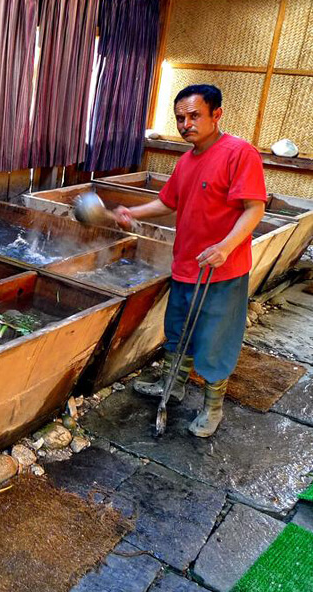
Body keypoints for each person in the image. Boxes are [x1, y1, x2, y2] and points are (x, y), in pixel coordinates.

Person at [112, 84, 266, 437]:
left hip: (222, 270)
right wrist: (131, 212)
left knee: (214, 340)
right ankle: (172, 386)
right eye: (180, 117)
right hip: (186, 264)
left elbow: (254, 208)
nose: (186, 124)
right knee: (177, 331)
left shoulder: (240, 153)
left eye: (194, 116)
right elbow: (169, 203)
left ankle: (212, 408)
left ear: (217, 114)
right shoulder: (187, 161)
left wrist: (226, 246)